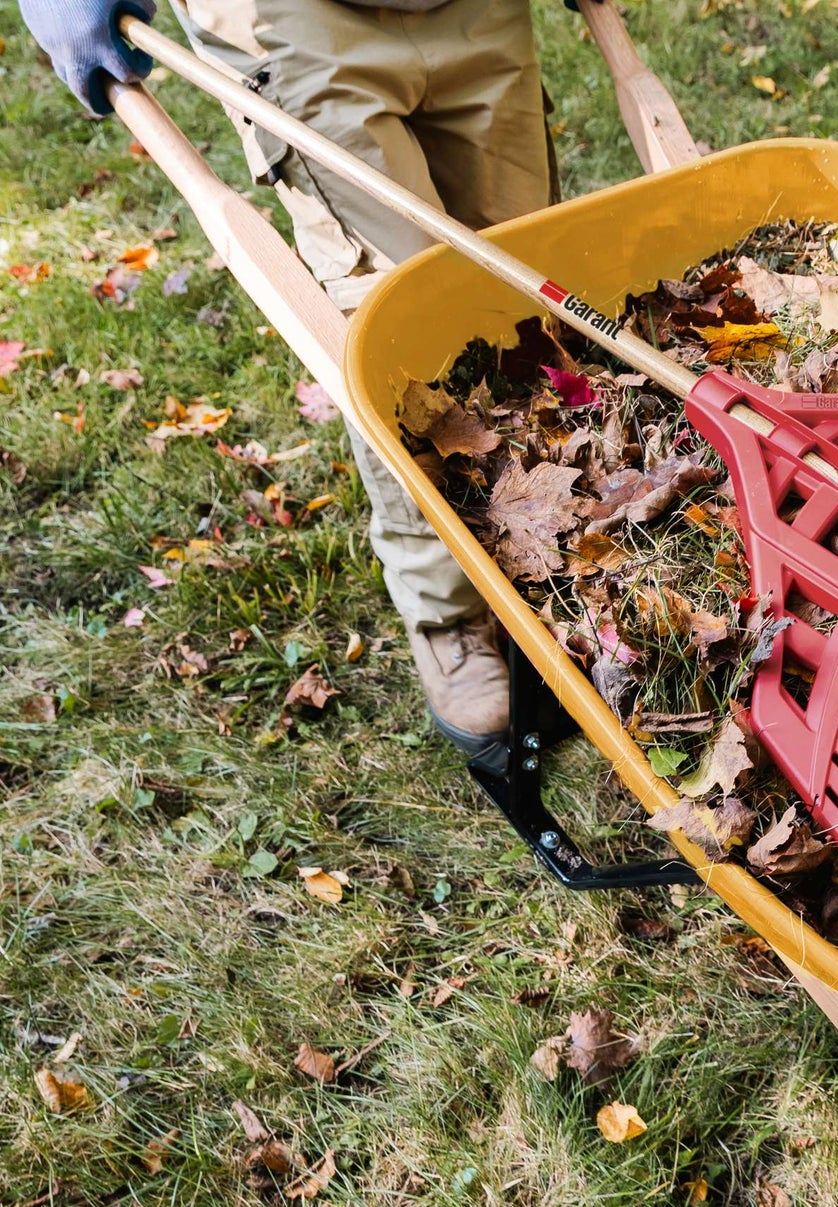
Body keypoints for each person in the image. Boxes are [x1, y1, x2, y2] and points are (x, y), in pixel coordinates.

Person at [16, 0, 586, 771]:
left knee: (518, 284)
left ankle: (537, 547)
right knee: (397, 321)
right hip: (293, 16)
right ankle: (449, 616)